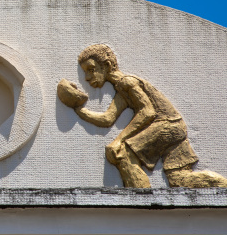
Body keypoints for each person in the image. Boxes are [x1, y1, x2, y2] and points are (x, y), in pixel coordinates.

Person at [59, 44, 227, 188]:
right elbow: (107, 119)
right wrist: (78, 109)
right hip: (176, 127)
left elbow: (147, 112)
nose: (87, 77)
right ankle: (221, 185)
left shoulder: (127, 82)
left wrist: (120, 140)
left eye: (91, 69)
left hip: (167, 125)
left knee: (122, 153)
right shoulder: (122, 88)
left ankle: (142, 201)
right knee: (178, 179)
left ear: (107, 66)